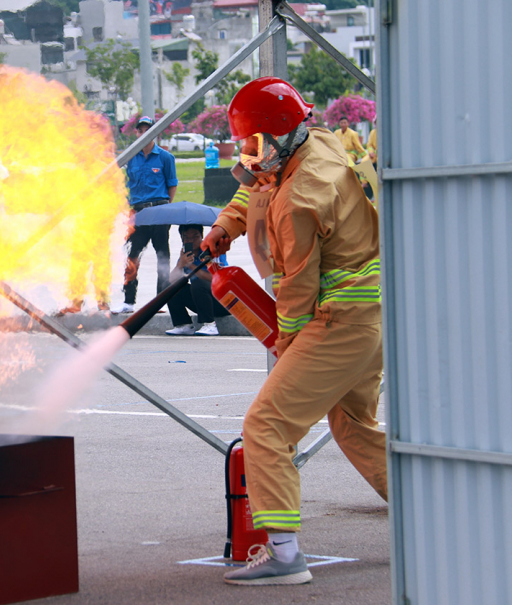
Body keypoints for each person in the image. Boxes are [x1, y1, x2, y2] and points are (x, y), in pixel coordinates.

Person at [202, 77, 386, 587]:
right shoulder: (317, 139)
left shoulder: (299, 199)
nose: (248, 155)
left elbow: (297, 292)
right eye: (244, 145)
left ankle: (284, 554)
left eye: (255, 144)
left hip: (338, 320)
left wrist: (288, 348)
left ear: (281, 135)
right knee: (352, 426)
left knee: (265, 425)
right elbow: (256, 184)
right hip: (369, 317)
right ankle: (434, 512)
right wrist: (225, 227)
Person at [114, 116, 178, 314]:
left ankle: (160, 301)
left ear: (155, 133)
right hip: (138, 212)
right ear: (136, 133)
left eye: (148, 130)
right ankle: (129, 300)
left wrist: (166, 207)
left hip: (159, 210)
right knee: (132, 255)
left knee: (162, 256)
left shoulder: (165, 157)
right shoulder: (131, 157)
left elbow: (172, 184)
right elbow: (125, 184)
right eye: (140, 130)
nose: (143, 134)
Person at [164, 224, 230, 336]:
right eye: (187, 237)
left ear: (202, 237)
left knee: (198, 284)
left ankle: (210, 324)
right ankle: (183, 324)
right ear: (182, 239)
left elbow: (217, 279)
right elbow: (171, 280)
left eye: (195, 236)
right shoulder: (186, 255)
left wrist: (191, 266)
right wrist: (181, 264)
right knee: (171, 287)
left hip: (222, 302)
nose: (191, 240)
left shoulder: (213, 251)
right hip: (202, 302)